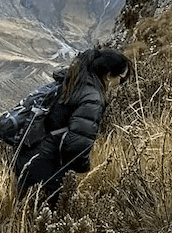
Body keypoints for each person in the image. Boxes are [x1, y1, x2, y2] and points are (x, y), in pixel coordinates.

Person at [14, 46, 132, 209]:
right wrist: (83, 170)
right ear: (108, 75)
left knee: (22, 212)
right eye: (121, 77)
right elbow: (77, 144)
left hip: (28, 154)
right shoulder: (93, 98)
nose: (121, 83)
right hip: (50, 163)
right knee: (56, 217)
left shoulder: (72, 81)